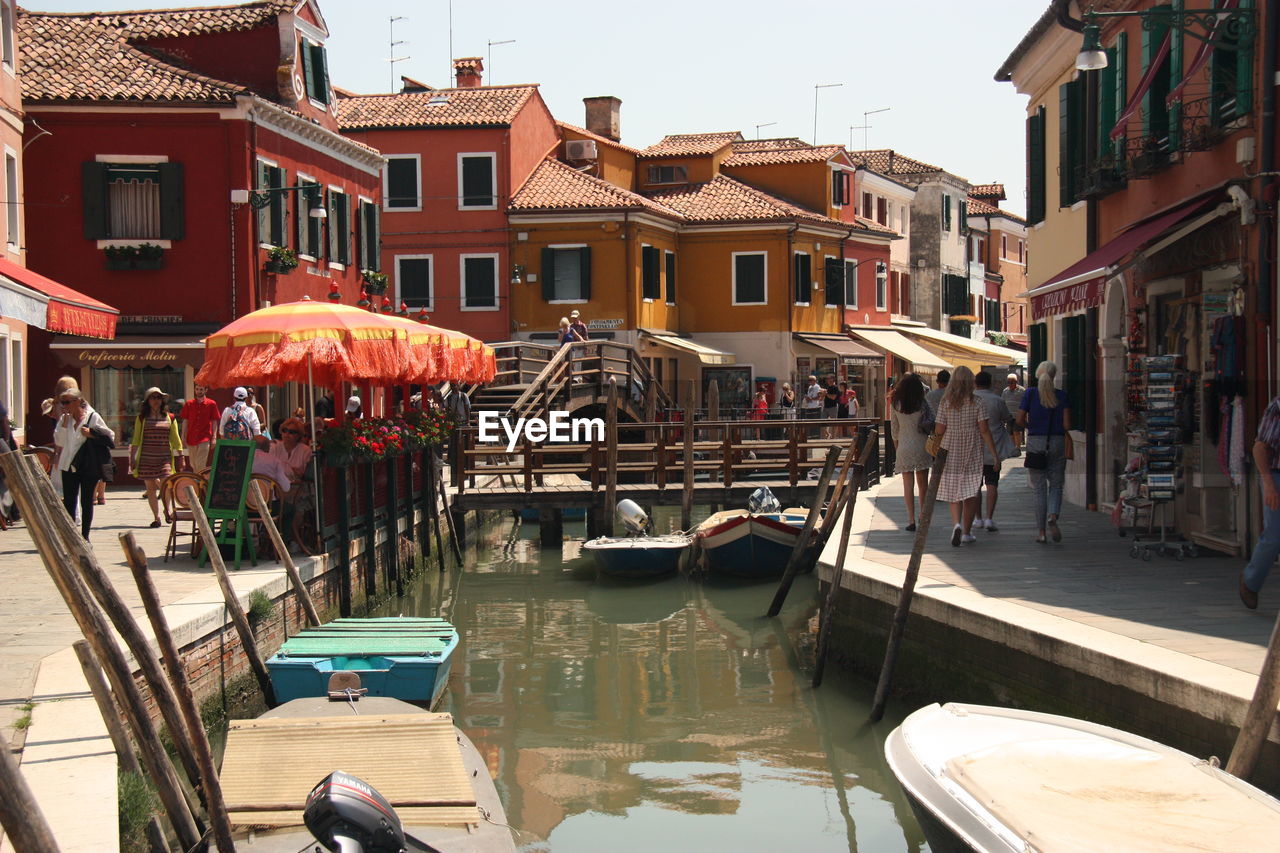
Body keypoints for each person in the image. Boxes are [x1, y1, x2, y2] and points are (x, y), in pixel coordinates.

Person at [932, 366, 999, 546]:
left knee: (954, 490)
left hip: (950, 446)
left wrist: (933, 448)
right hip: (972, 448)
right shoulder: (977, 402)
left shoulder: (946, 402)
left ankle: (956, 524)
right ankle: (967, 533)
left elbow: (939, 430)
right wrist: (994, 454)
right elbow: (984, 430)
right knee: (971, 491)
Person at [1018, 361, 1071, 544]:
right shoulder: (1062, 396)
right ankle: (1053, 516)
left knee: (1039, 489)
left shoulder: (1030, 394)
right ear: (1054, 375)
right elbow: (1067, 425)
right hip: (1056, 442)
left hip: (1035, 443)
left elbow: (1019, 419)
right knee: (1056, 485)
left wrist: (1030, 427)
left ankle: (1041, 532)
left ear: (1038, 375)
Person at [53, 388, 115, 539]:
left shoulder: (93, 417)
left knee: (87, 501)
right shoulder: (64, 420)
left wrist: (91, 434)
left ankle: (85, 536)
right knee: (69, 501)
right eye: (62, 402)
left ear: (78, 401)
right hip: (67, 465)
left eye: (67, 402)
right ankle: (71, 536)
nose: (64, 406)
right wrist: (64, 424)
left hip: (88, 465)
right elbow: (59, 442)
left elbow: (110, 436)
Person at [1240, 395, 1280, 609]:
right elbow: (1260, 447)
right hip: (1276, 475)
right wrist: (1269, 484)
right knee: (1274, 537)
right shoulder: (1278, 406)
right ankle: (1250, 581)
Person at [129, 387, 182, 529]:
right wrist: (132, 458)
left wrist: (181, 454)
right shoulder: (142, 418)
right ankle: (156, 517)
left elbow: (175, 438)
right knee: (151, 488)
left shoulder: (169, 417)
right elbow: (136, 439)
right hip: (146, 457)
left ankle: (167, 510)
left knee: (166, 485)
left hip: (164, 457)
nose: (156, 401)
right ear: (147, 401)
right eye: (153, 398)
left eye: (158, 397)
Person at [974, 371, 1017, 532]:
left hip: (974, 449)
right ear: (989, 383)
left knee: (975, 486)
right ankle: (989, 519)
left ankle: (977, 519)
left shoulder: (970, 399)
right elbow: (1006, 418)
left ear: (975, 383)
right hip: (994, 449)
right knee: (992, 484)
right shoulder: (997, 400)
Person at [890, 373, 932, 532]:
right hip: (921, 444)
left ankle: (911, 519)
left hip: (904, 446)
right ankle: (924, 516)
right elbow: (931, 420)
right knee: (923, 485)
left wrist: (897, 448)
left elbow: (894, 430)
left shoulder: (895, 404)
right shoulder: (922, 403)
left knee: (908, 486)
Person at [179, 384, 221, 473]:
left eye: (201, 389)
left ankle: (199, 483)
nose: (199, 391)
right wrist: (183, 436)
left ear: (206, 390)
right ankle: (199, 483)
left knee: (200, 464)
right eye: (197, 389)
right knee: (193, 464)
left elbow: (214, 421)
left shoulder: (211, 404)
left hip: (204, 438)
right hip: (191, 437)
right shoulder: (189, 404)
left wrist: (214, 438)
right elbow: (185, 421)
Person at [1002, 372, 1026, 447]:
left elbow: (1025, 402)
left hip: (1018, 415)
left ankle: (1017, 448)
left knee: (1016, 431)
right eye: (1008, 382)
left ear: (1016, 382)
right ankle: (1012, 448)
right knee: (1010, 433)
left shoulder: (1022, 390)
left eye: (1012, 382)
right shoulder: (1005, 391)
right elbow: (1003, 402)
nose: (1010, 384)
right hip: (1009, 415)